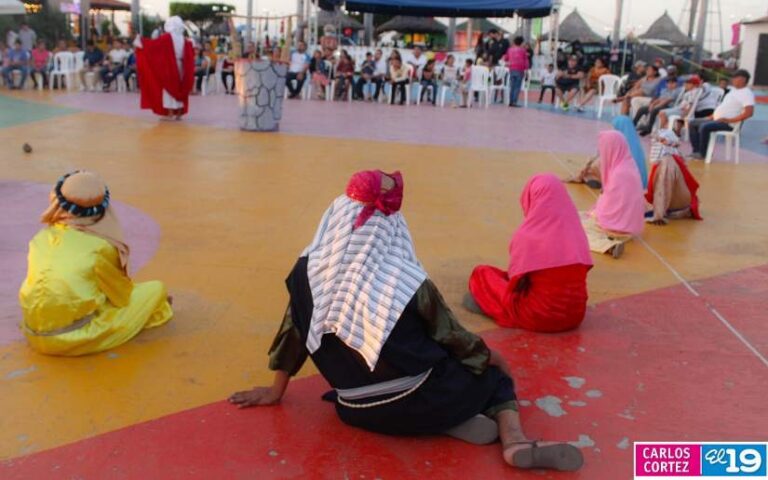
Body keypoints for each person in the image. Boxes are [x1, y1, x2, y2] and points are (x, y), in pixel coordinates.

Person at [228, 170, 584, 472]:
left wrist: (275, 391)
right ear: (391, 223)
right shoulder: (404, 279)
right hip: (421, 397)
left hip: (356, 408)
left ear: (339, 211)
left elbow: (294, 331)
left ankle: (451, 422)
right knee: (489, 376)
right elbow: (455, 339)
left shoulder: (306, 272)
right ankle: (514, 442)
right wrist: (497, 361)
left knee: (425, 377)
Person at [19, 170, 173, 356]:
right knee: (156, 289)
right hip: (73, 337)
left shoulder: (40, 238)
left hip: (33, 332)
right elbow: (121, 296)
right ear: (103, 207)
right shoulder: (100, 246)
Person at [464, 174, 592, 332]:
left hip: (539, 316)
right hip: (576, 316)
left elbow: (516, 283)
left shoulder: (527, 236)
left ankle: (486, 302)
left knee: (482, 273)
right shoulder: (577, 232)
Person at [581, 131, 645, 259]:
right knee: (576, 217)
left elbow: (608, 211)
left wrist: (595, 214)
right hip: (629, 225)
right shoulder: (628, 164)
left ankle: (607, 246)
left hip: (616, 228)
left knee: (574, 231)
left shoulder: (620, 174)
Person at [134, 16, 195, 120]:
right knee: (180, 89)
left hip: (170, 66)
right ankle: (179, 113)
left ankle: (170, 114)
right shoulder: (183, 38)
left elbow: (154, 46)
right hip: (181, 66)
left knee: (169, 89)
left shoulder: (167, 37)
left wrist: (140, 41)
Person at [688, 70, 754, 160]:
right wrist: (710, 117)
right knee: (693, 123)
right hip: (716, 119)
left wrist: (728, 120)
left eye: (735, 78)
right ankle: (696, 151)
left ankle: (703, 154)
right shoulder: (733, 91)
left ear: (742, 79)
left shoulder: (747, 93)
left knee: (704, 126)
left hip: (728, 124)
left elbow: (749, 113)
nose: (732, 80)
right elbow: (723, 107)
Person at [645, 130, 702, 225]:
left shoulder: (667, 161)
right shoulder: (674, 156)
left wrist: (658, 215)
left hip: (675, 209)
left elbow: (663, 188)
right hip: (681, 204)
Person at [612, 115, 649, 188]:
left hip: (625, 184)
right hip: (639, 184)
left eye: (615, 128)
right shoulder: (636, 144)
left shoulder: (621, 145)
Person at [504, 36, 529, 108]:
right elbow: (526, 61)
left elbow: (506, 58)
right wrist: (526, 70)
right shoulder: (523, 50)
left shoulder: (510, 50)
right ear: (521, 43)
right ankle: (514, 102)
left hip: (512, 68)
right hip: (520, 69)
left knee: (512, 85)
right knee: (517, 86)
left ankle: (510, 101)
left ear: (514, 42)